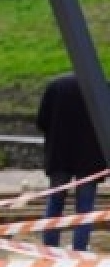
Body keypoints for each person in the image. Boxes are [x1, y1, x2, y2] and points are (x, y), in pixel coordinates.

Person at [35, 73, 108, 251]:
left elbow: (41, 120)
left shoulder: (55, 86)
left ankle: (50, 248)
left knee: (55, 201)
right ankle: (80, 249)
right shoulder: (101, 86)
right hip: (90, 156)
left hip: (60, 153)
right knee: (85, 207)